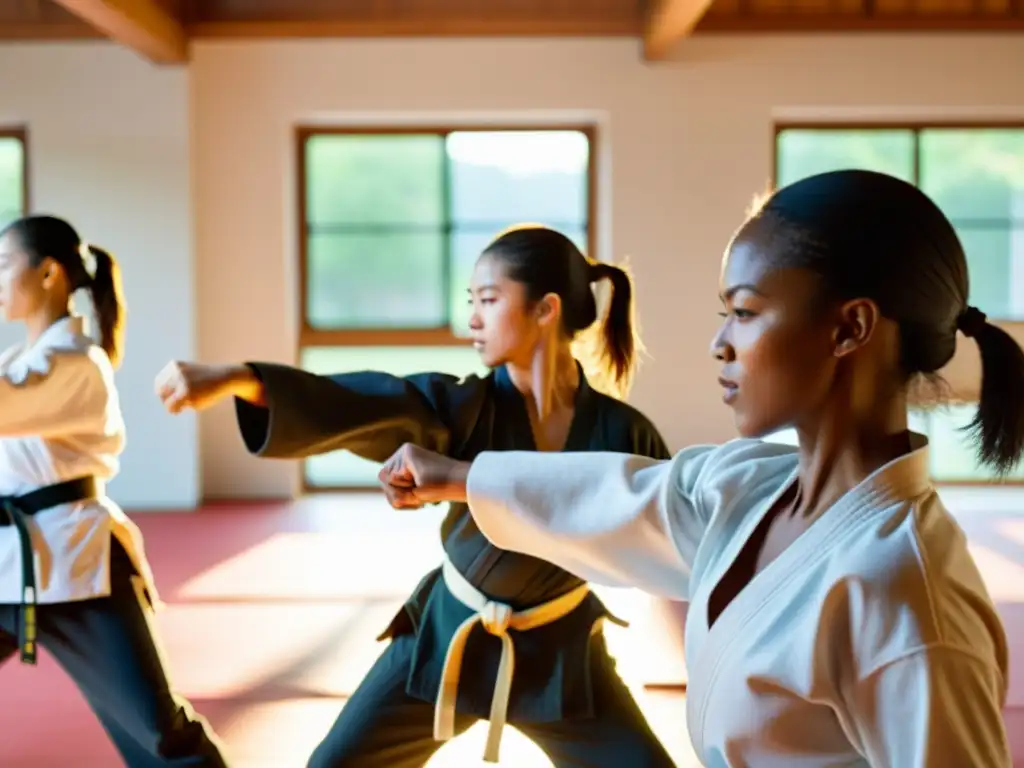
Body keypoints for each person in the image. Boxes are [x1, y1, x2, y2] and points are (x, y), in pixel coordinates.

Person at [376, 171, 1019, 768]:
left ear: (849, 327)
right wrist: (459, 476)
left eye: (743, 311)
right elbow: (628, 496)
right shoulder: (752, 487)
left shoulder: (909, 604)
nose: (720, 343)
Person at [155, 225, 677, 767]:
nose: (472, 318)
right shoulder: (463, 406)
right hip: (449, 635)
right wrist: (241, 379)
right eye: (469, 301)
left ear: (545, 309)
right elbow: (364, 402)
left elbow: (670, 532)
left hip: (563, 656)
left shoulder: (624, 434)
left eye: (489, 300)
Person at [0, 216, 227, 767]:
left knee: (159, 732)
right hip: (9, 560)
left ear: (49, 272)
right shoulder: (19, 361)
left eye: (4, 265)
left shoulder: (79, 363)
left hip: (79, 566)